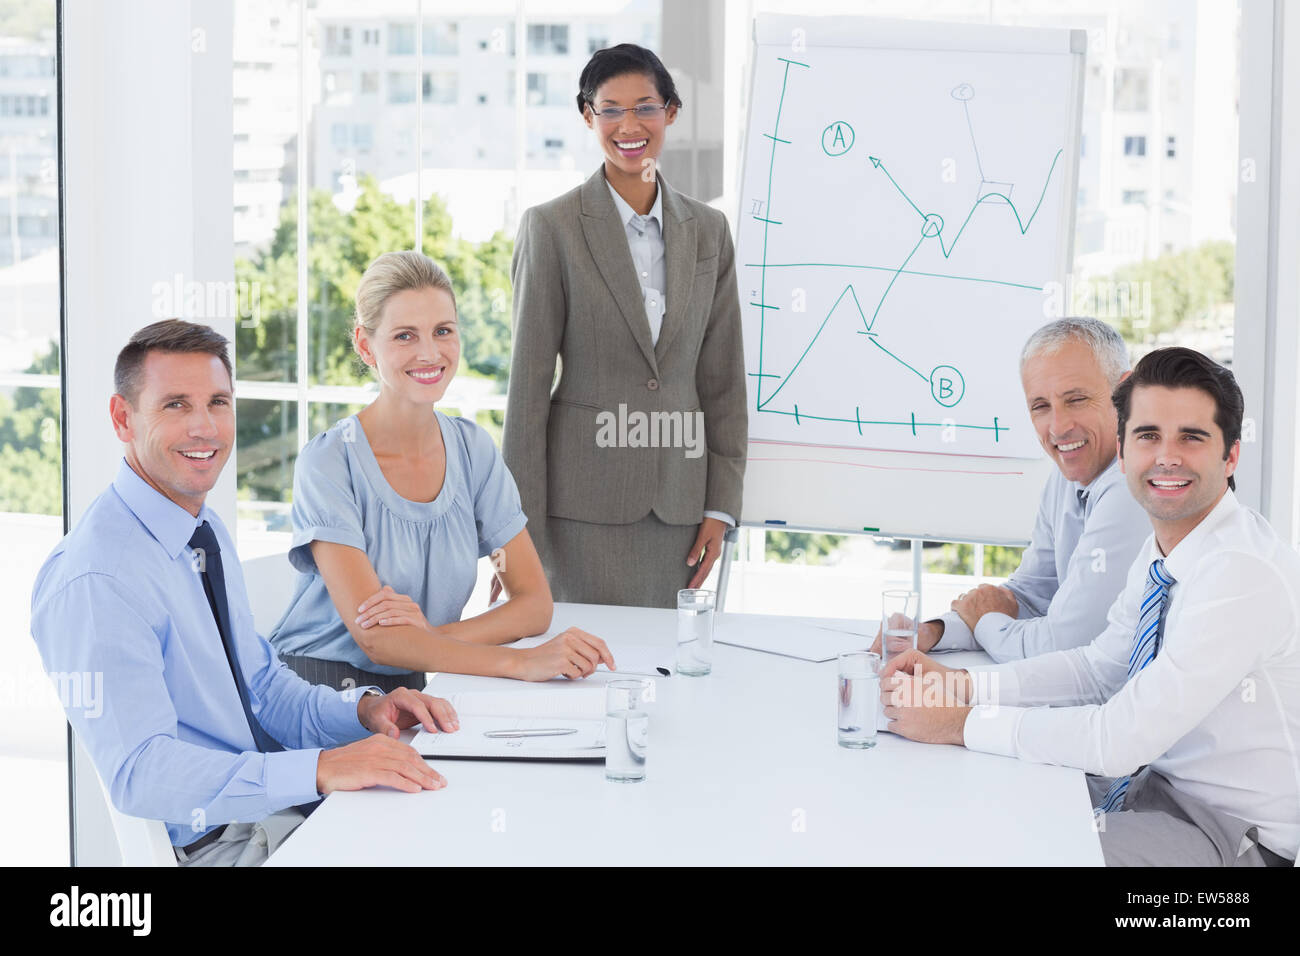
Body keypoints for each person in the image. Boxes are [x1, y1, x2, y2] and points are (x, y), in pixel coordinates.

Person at [30, 319, 457, 866]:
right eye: (176, 405)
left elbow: (262, 690)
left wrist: (365, 713)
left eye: (218, 402)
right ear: (123, 417)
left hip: (274, 816)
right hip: (225, 850)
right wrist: (320, 768)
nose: (205, 428)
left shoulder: (199, 530)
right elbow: (140, 772)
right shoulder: (97, 578)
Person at [881, 347, 1300, 866]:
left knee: (1011, 854)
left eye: (1191, 437)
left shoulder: (1240, 571)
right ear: (1123, 451)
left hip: (1236, 839)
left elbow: (1118, 737)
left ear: (1230, 455)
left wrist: (957, 722)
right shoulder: (1170, 546)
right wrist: (958, 685)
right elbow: (1099, 669)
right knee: (970, 813)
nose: (1166, 456)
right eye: (1148, 436)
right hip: (1155, 792)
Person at [269, 251, 615, 690]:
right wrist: (520, 662)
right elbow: (378, 642)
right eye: (405, 336)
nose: (429, 352)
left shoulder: (473, 452)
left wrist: (429, 638)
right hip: (315, 686)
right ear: (364, 345)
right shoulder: (330, 463)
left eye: (443, 331)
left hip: (417, 679)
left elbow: (533, 604)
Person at [502, 43, 747, 609]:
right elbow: (527, 393)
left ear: (672, 112)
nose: (628, 125)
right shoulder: (552, 228)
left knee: (673, 677)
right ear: (588, 116)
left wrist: (719, 507)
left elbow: (724, 381)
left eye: (645, 107)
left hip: (681, 516)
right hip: (578, 516)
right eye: (610, 109)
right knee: (580, 679)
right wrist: (519, 537)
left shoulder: (710, 232)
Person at [876, 317, 1150, 662]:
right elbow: (1031, 596)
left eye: (1076, 399)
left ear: (1124, 394)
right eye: (1040, 406)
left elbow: (1065, 644)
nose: (1059, 427)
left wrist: (986, 622)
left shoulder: (1134, 486)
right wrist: (934, 631)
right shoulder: (1070, 473)